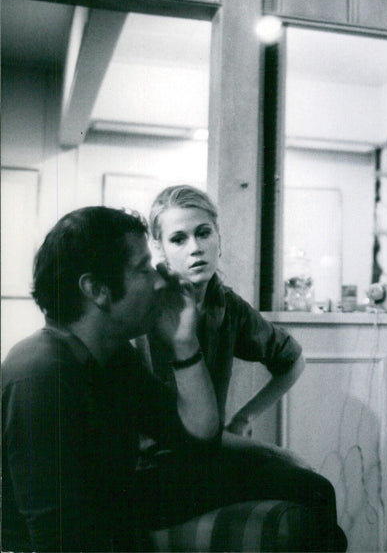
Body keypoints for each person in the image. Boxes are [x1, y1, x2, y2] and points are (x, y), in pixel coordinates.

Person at [134, 184, 347, 551]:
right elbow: (170, 435)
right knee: (308, 487)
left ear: (219, 238)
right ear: (160, 250)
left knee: (316, 492)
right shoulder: (146, 308)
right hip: (150, 473)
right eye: (178, 239)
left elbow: (292, 360)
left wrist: (245, 418)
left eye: (203, 233)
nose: (195, 248)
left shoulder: (224, 304)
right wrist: (272, 452)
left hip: (206, 459)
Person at [2, 206, 219, 551]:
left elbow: (197, 437)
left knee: (289, 480)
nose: (161, 279)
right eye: (143, 267)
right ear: (97, 289)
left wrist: (184, 344)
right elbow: (60, 540)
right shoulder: (41, 375)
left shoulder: (114, 359)